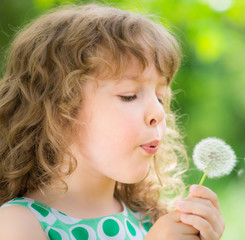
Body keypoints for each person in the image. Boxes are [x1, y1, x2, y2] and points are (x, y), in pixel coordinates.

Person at [0, 3, 225, 240]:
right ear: (58, 109)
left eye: (160, 97)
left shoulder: (150, 219)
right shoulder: (18, 224)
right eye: (129, 95)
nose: (158, 113)